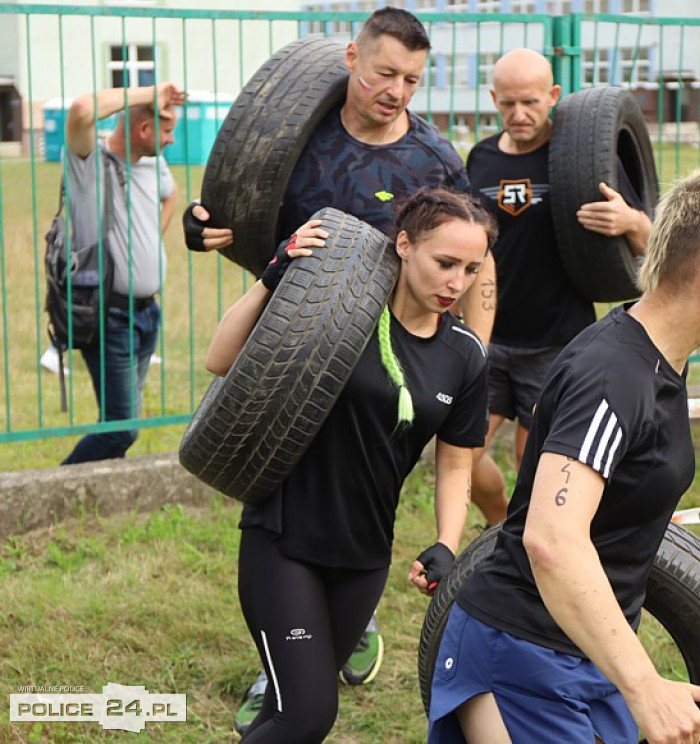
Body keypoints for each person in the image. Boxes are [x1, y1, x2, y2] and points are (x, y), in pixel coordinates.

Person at [427, 158, 700, 744]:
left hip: (582, 651)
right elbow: (551, 539)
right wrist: (644, 685)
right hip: (521, 652)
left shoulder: (658, 360)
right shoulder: (614, 376)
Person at [183, 7, 495, 713]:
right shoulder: (296, 140)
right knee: (287, 513)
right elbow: (242, 218)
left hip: (397, 357)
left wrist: (473, 349)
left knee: (361, 492)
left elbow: (471, 258)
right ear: (351, 57)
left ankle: (319, 641)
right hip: (296, 352)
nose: (398, 90)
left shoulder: (436, 163)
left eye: (413, 79)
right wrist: (203, 227)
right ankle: (289, 659)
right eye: (386, 73)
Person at [207, 188, 496, 743]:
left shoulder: (464, 356)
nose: (456, 283)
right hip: (283, 542)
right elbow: (220, 360)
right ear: (405, 245)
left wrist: (447, 540)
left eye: (470, 269)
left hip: (363, 558)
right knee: (308, 715)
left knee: (286, 715)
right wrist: (273, 276)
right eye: (444, 263)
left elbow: (457, 464)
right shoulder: (340, 312)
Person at [467, 47, 652, 527]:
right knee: (462, 459)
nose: (519, 114)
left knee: (537, 474)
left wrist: (629, 220)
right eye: (507, 103)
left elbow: (656, 242)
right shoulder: (480, 158)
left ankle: (524, 546)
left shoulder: (581, 159)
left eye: (530, 102)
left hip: (556, 343)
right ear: (493, 98)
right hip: (491, 337)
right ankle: (496, 525)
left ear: (553, 96)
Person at [61, 82, 182, 465]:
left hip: (148, 312)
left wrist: (148, 243)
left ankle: (89, 495)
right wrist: (149, 93)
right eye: (166, 130)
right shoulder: (88, 161)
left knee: (119, 421)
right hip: (109, 316)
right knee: (120, 428)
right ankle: (51, 498)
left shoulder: (152, 161)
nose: (172, 140)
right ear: (144, 130)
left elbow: (170, 195)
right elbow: (82, 108)